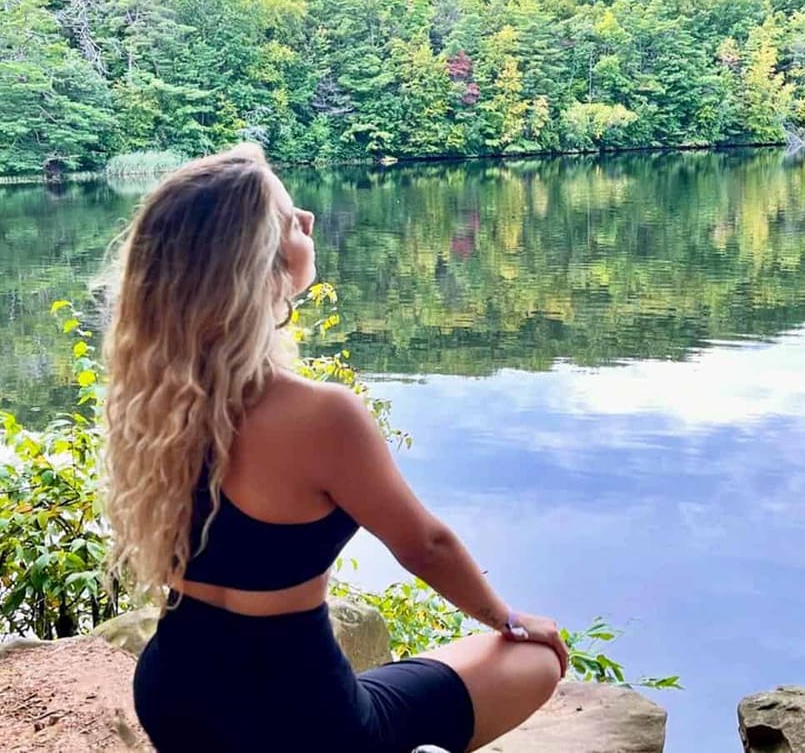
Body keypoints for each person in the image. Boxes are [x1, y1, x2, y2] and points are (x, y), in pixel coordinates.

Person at [100, 143, 566, 752]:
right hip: (304, 720)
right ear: (256, 264)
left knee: (425, 671)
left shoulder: (156, 401)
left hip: (173, 695)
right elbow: (425, 544)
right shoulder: (322, 414)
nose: (309, 222)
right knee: (532, 660)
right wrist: (507, 618)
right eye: (291, 218)